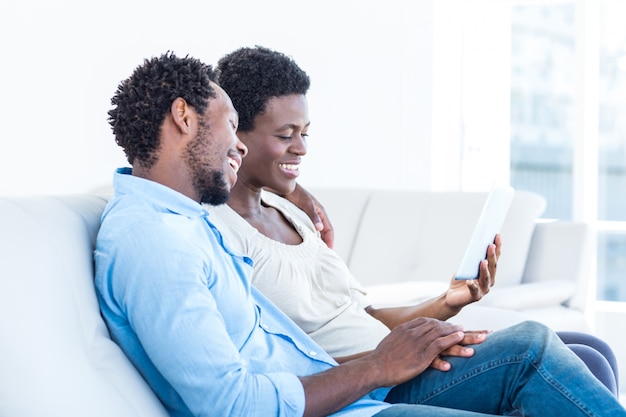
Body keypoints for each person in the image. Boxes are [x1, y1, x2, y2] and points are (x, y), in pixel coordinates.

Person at [94, 51, 625, 417]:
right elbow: (232, 403)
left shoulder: (183, 223)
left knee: (572, 352)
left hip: (350, 388)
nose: (236, 146)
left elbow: (309, 338)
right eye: (231, 126)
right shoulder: (157, 241)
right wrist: (377, 365)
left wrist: (418, 329)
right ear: (184, 117)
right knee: (531, 349)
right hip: (350, 393)